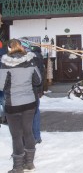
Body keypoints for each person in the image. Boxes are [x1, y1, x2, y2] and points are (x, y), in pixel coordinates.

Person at [0, 39, 42, 173]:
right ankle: (29, 163)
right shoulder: (30, 61)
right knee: (28, 132)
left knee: (17, 136)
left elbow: (1, 85)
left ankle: (18, 167)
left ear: (9, 48)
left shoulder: (5, 64)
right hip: (29, 103)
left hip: (13, 104)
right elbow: (38, 80)